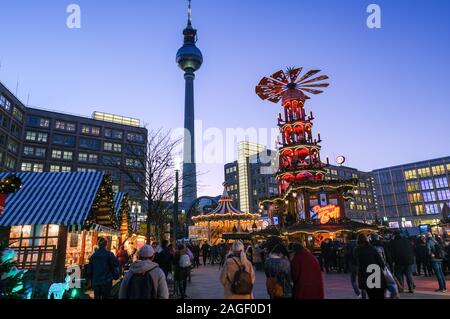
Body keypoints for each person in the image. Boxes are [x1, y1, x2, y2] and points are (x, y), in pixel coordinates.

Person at [354, 233, 386, 299]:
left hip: (365, 275)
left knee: (371, 295)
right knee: (380, 294)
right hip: (376, 272)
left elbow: (355, 262)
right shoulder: (372, 248)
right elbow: (380, 261)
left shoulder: (357, 250)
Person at [345, 232, 366, 299]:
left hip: (352, 264)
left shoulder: (348, 244)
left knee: (353, 280)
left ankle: (358, 293)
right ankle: (363, 295)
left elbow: (347, 255)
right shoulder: (359, 243)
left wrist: (345, 264)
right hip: (361, 263)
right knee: (362, 280)